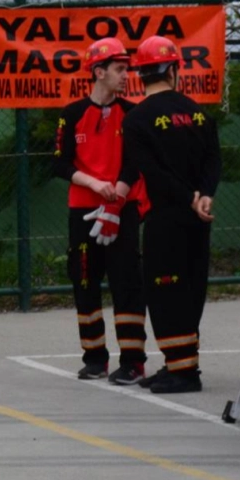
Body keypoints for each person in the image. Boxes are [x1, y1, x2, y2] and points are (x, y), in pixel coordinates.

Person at [118, 35, 221, 394]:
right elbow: (213, 159)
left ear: (140, 74)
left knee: (164, 290)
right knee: (191, 286)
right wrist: (204, 195)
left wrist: (187, 197)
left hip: (165, 216)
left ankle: (184, 372)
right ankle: (180, 363)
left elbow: (151, 171)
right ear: (174, 69)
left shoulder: (136, 119)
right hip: (198, 216)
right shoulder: (198, 112)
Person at [53, 37, 149, 383]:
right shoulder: (72, 114)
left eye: (127, 69)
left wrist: (115, 199)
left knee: (127, 284)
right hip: (83, 210)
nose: (126, 76)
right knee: (84, 280)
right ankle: (94, 357)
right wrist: (94, 184)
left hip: (123, 209)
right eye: (119, 69)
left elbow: (135, 163)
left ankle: (133, 361)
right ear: (98, 71)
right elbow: (60, 164)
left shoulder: (133, 113)